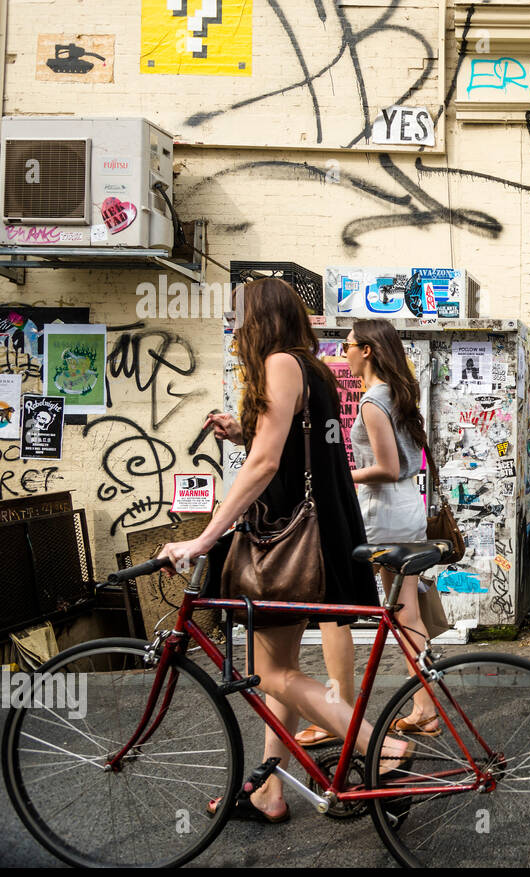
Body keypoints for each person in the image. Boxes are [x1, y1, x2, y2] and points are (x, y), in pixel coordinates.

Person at [157, 278, 406, 823]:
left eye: (240, 315)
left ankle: (377, 745)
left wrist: (204, 537)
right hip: (321, 534)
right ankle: (268, 788)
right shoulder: (308, 366)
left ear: (260, 317)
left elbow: (268, 464)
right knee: (283, 667)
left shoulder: (278, 363)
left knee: (268, 673)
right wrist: (246, 432)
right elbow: (292, 444)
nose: (236, 325)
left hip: (289, 539)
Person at [296, 319, 441, 747]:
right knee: (406, 612)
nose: (344, 353)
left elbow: (389, 467)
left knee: (336, 608)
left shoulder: (374, 403)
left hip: (383, 514)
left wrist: (340, 476)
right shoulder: (398, 394)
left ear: (368, 351)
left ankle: (337, 710)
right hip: (405, 509)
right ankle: (425, 708)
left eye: (348, 345)